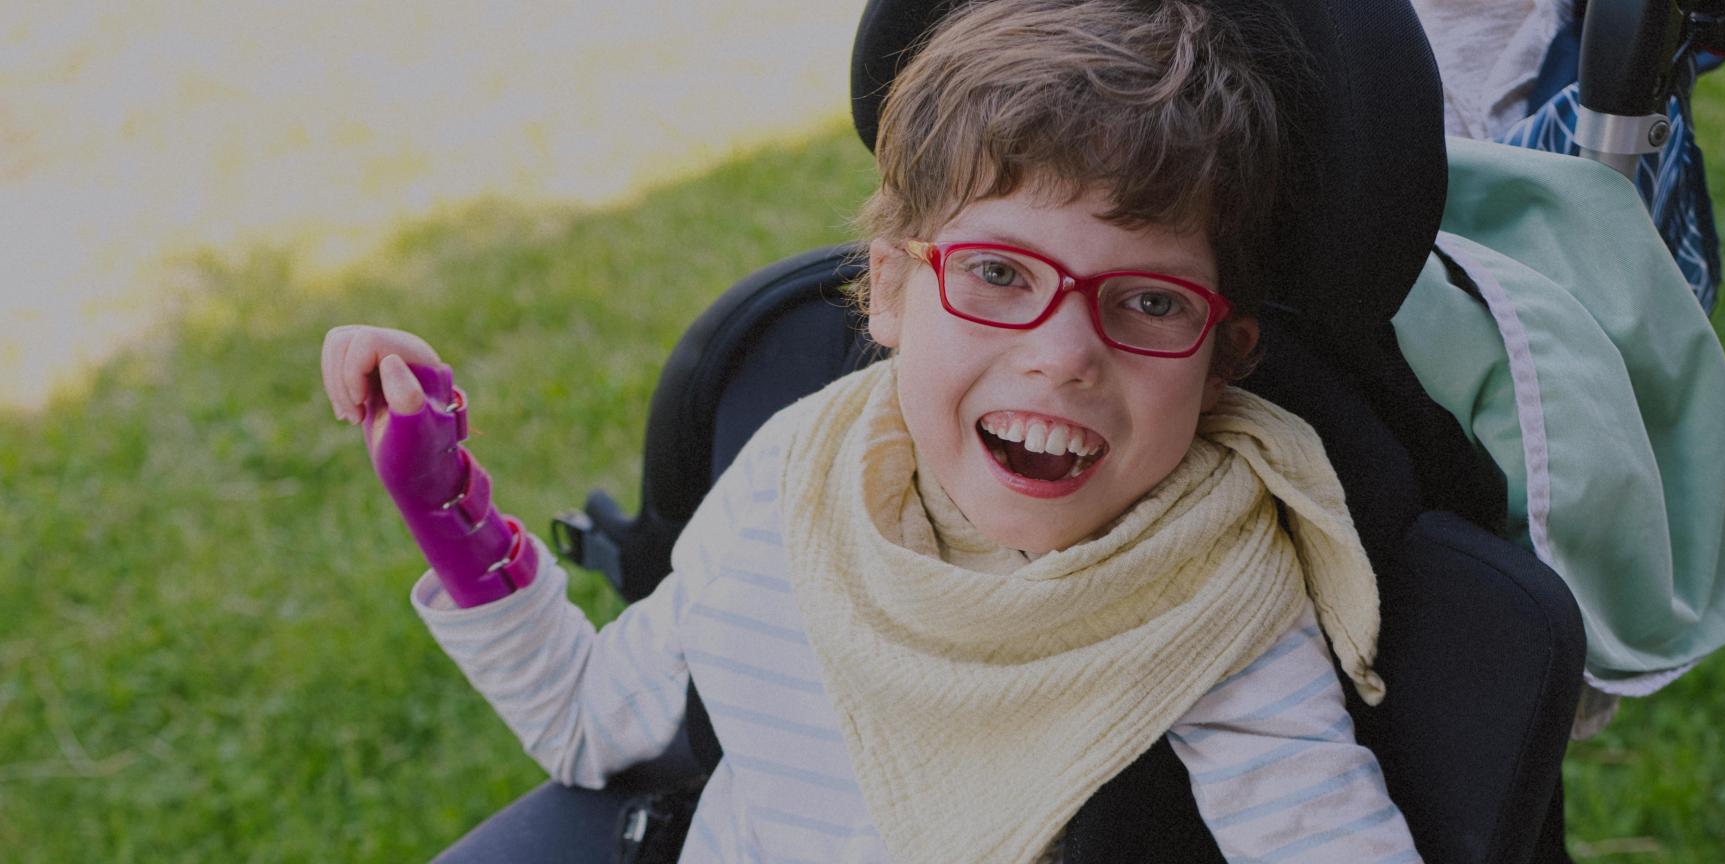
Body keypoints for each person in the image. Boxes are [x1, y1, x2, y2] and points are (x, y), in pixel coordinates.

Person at [319, 1, 1423, 860]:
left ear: (1224, 360)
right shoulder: (793, 487)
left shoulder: (1205, 598)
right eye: (998, 273)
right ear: (888, 292)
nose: (1065, 353)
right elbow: (587, 726)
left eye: (1149, 302)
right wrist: (448, 511)